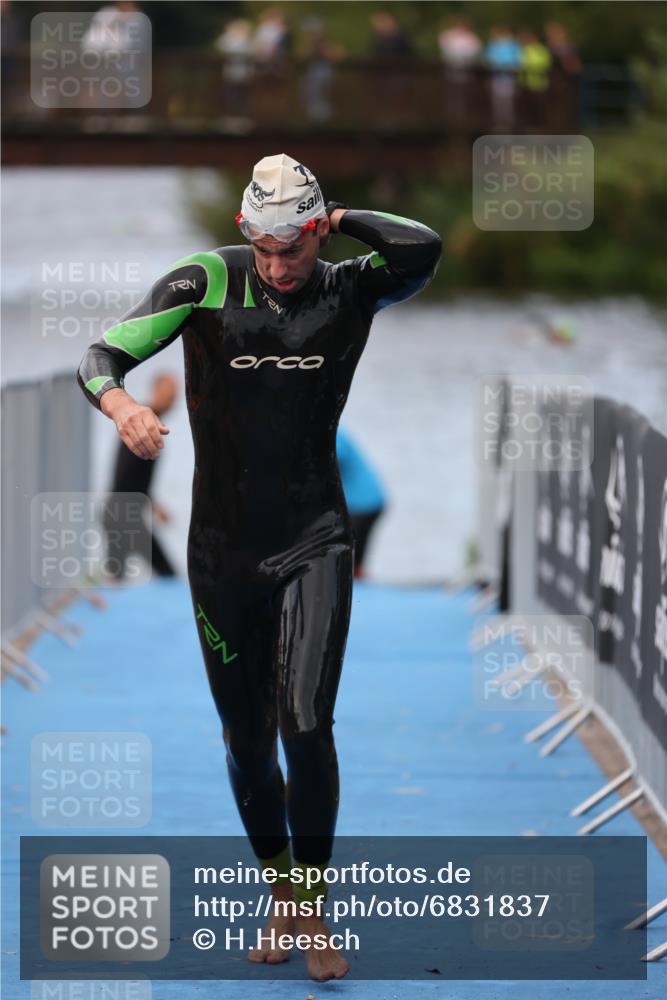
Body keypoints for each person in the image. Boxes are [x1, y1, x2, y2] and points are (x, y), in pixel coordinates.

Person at [77, 153, 441, 982]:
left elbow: (423, 248)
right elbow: (99, 354)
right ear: (244, 234)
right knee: (247, 742)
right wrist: (125, 403)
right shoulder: (204, 281)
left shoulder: (350, 287)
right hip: (221, 552)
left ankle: (308, 902)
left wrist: (338, 220)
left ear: (316, 232)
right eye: (265, 250)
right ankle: (281, 886)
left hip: (316, 537)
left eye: (295, 249)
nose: (279, 269)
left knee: (306, 726)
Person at [104, 372, 178, 580]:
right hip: (123, 514)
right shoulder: (142, 423)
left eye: (175, 397)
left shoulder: (145, 421)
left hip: (121, 511)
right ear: (155, 391)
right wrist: (151, 505)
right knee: (167, 575)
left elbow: (134, 475)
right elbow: (126, 475)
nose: (173, 401)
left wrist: (153, 503)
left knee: (116, 576)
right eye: (169, 395)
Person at [336, 427, 386, 577]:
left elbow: (331, 462)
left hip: (361, 504)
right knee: (351, 560)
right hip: (369, 500)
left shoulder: (326, 430)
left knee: (347, 560)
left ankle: (356, 589)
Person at [484, 26, 522, 129]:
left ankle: (509, 123)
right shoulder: (492, 45)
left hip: (509, 78)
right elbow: (488, 59)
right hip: (496, 77)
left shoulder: (513, 45)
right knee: (497, 102)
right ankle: (499, 124)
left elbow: (518, 59)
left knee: (509, 102)